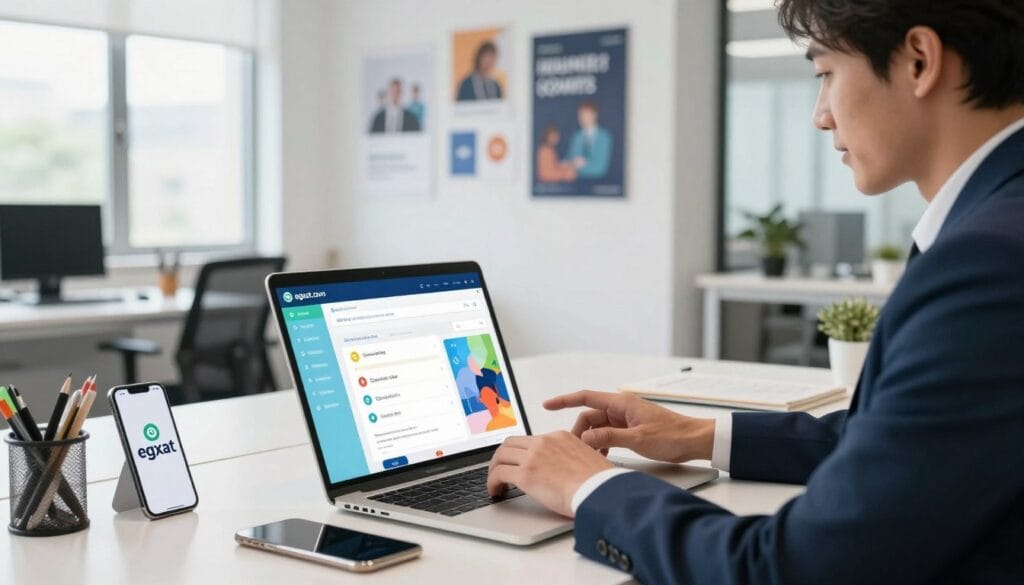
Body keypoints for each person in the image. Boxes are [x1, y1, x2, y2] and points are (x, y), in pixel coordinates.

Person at [486, 1, 1024, 583]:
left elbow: (790, 570)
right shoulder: (995, 229)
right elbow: (910, 446)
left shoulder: (988, 264)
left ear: (919, 60)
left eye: (825, 74)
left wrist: (589, 487)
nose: (820, 116)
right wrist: (698, 434)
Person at [566, 101, 612, 179]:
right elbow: (569, 158)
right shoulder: (576, 136)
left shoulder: (604, 137)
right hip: (575, 183)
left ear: (594, 115)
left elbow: (600, 169)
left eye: (585, 115)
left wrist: (583, 165)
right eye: (580, 115)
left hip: (598, 182)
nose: (582, 118)